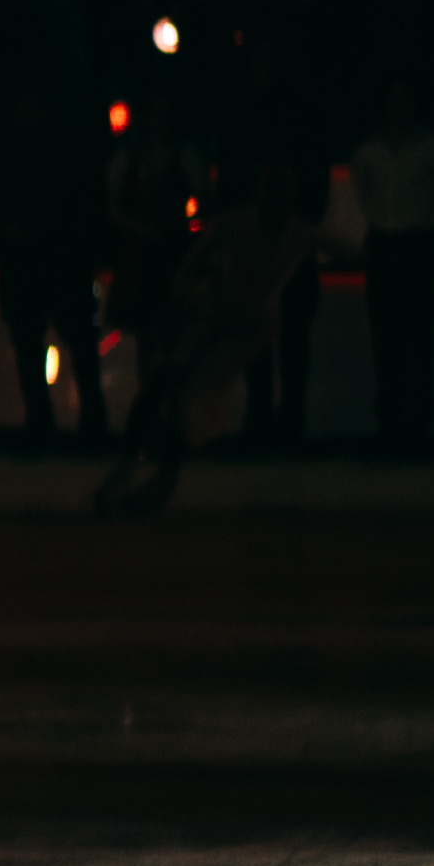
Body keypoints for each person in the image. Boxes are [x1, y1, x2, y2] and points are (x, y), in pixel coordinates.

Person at [95, 165, 320, 517]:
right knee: (171, 390)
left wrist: (183, 300)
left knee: (174, 392)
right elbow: (193, 265)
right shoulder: (273, 229)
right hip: (217, 318)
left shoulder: (272, 229)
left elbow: (193, 265)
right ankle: (150, 475)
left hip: (226, 323)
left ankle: (145, 474)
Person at [216, 39, 329, 449]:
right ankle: (280, 416)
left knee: (277, 333)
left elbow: (230, 181)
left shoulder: (247, 115)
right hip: (278, 239)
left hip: (275, 240)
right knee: (280, 335)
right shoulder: (296, 114)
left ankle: (272, 416)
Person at [0, 89, 109, 449]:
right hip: (45, 261)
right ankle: (66, 422)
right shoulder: (40, 148)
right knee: (44, 341)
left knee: (60, 340)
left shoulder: (43, 150)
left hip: (54, 258)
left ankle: (70, 422)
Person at [351, 76, 434, 456]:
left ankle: (409, 427)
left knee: (412, 341)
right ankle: (397, 426)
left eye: (405, 99)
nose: (399, 107)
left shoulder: (432, 150)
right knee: (391, 342)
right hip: (397, 246)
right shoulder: (373, 152)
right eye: (394, 99)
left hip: (413, 247)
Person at [103, 96, 202, 348]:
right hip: (140, 255)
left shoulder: (183, 156)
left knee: (172, 329)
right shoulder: (130, 155)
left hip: (171, 252)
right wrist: (138, 226)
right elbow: (112, 204)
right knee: (148, 332)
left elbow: (201, 202)